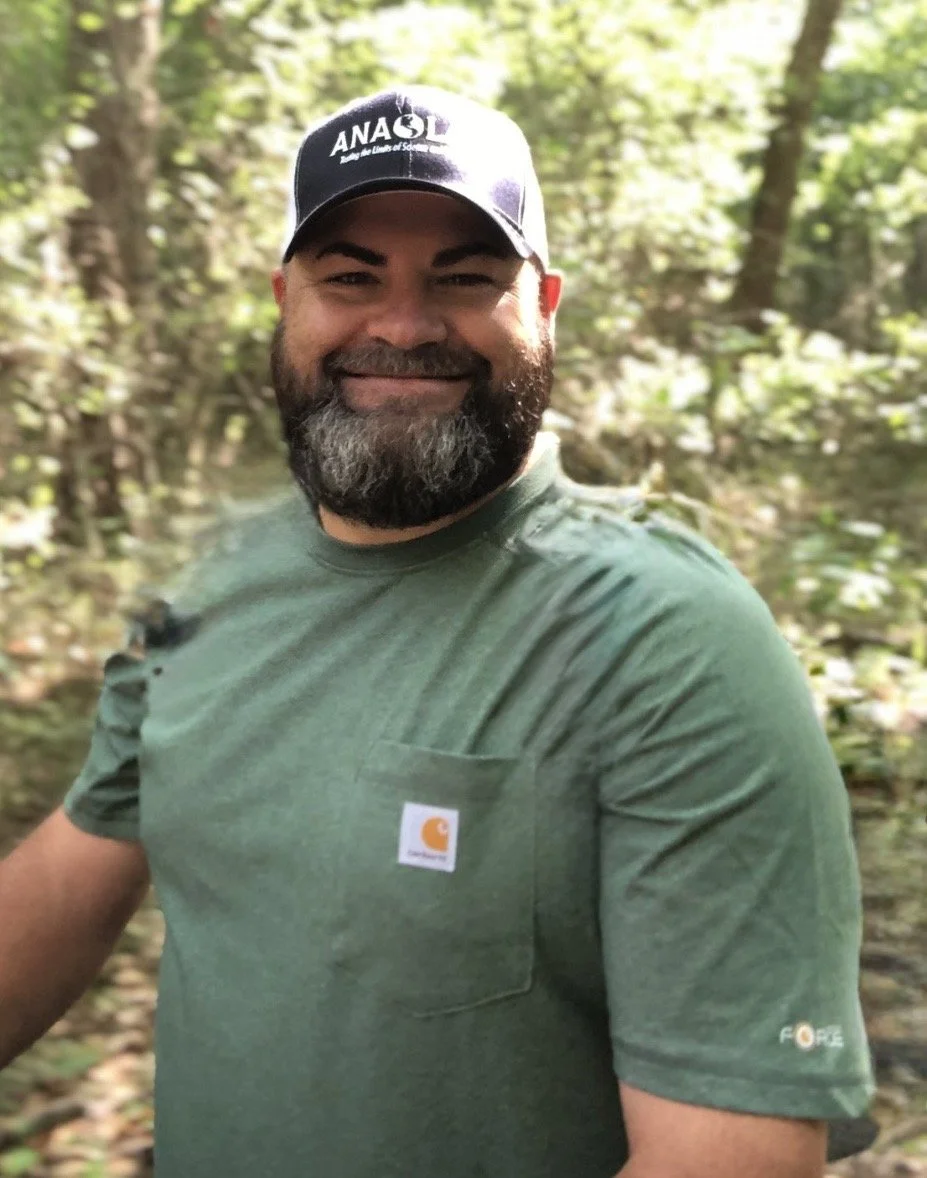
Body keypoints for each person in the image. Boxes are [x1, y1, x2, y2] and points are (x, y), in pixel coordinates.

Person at [0, 86, 874, 1177]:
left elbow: (734, 1156)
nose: (403, 326)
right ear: (284, 300)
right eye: (351, 276)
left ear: (544, 304)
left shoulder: (666, 637)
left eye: (464, 278)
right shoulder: (203, 588)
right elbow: (67, 879)